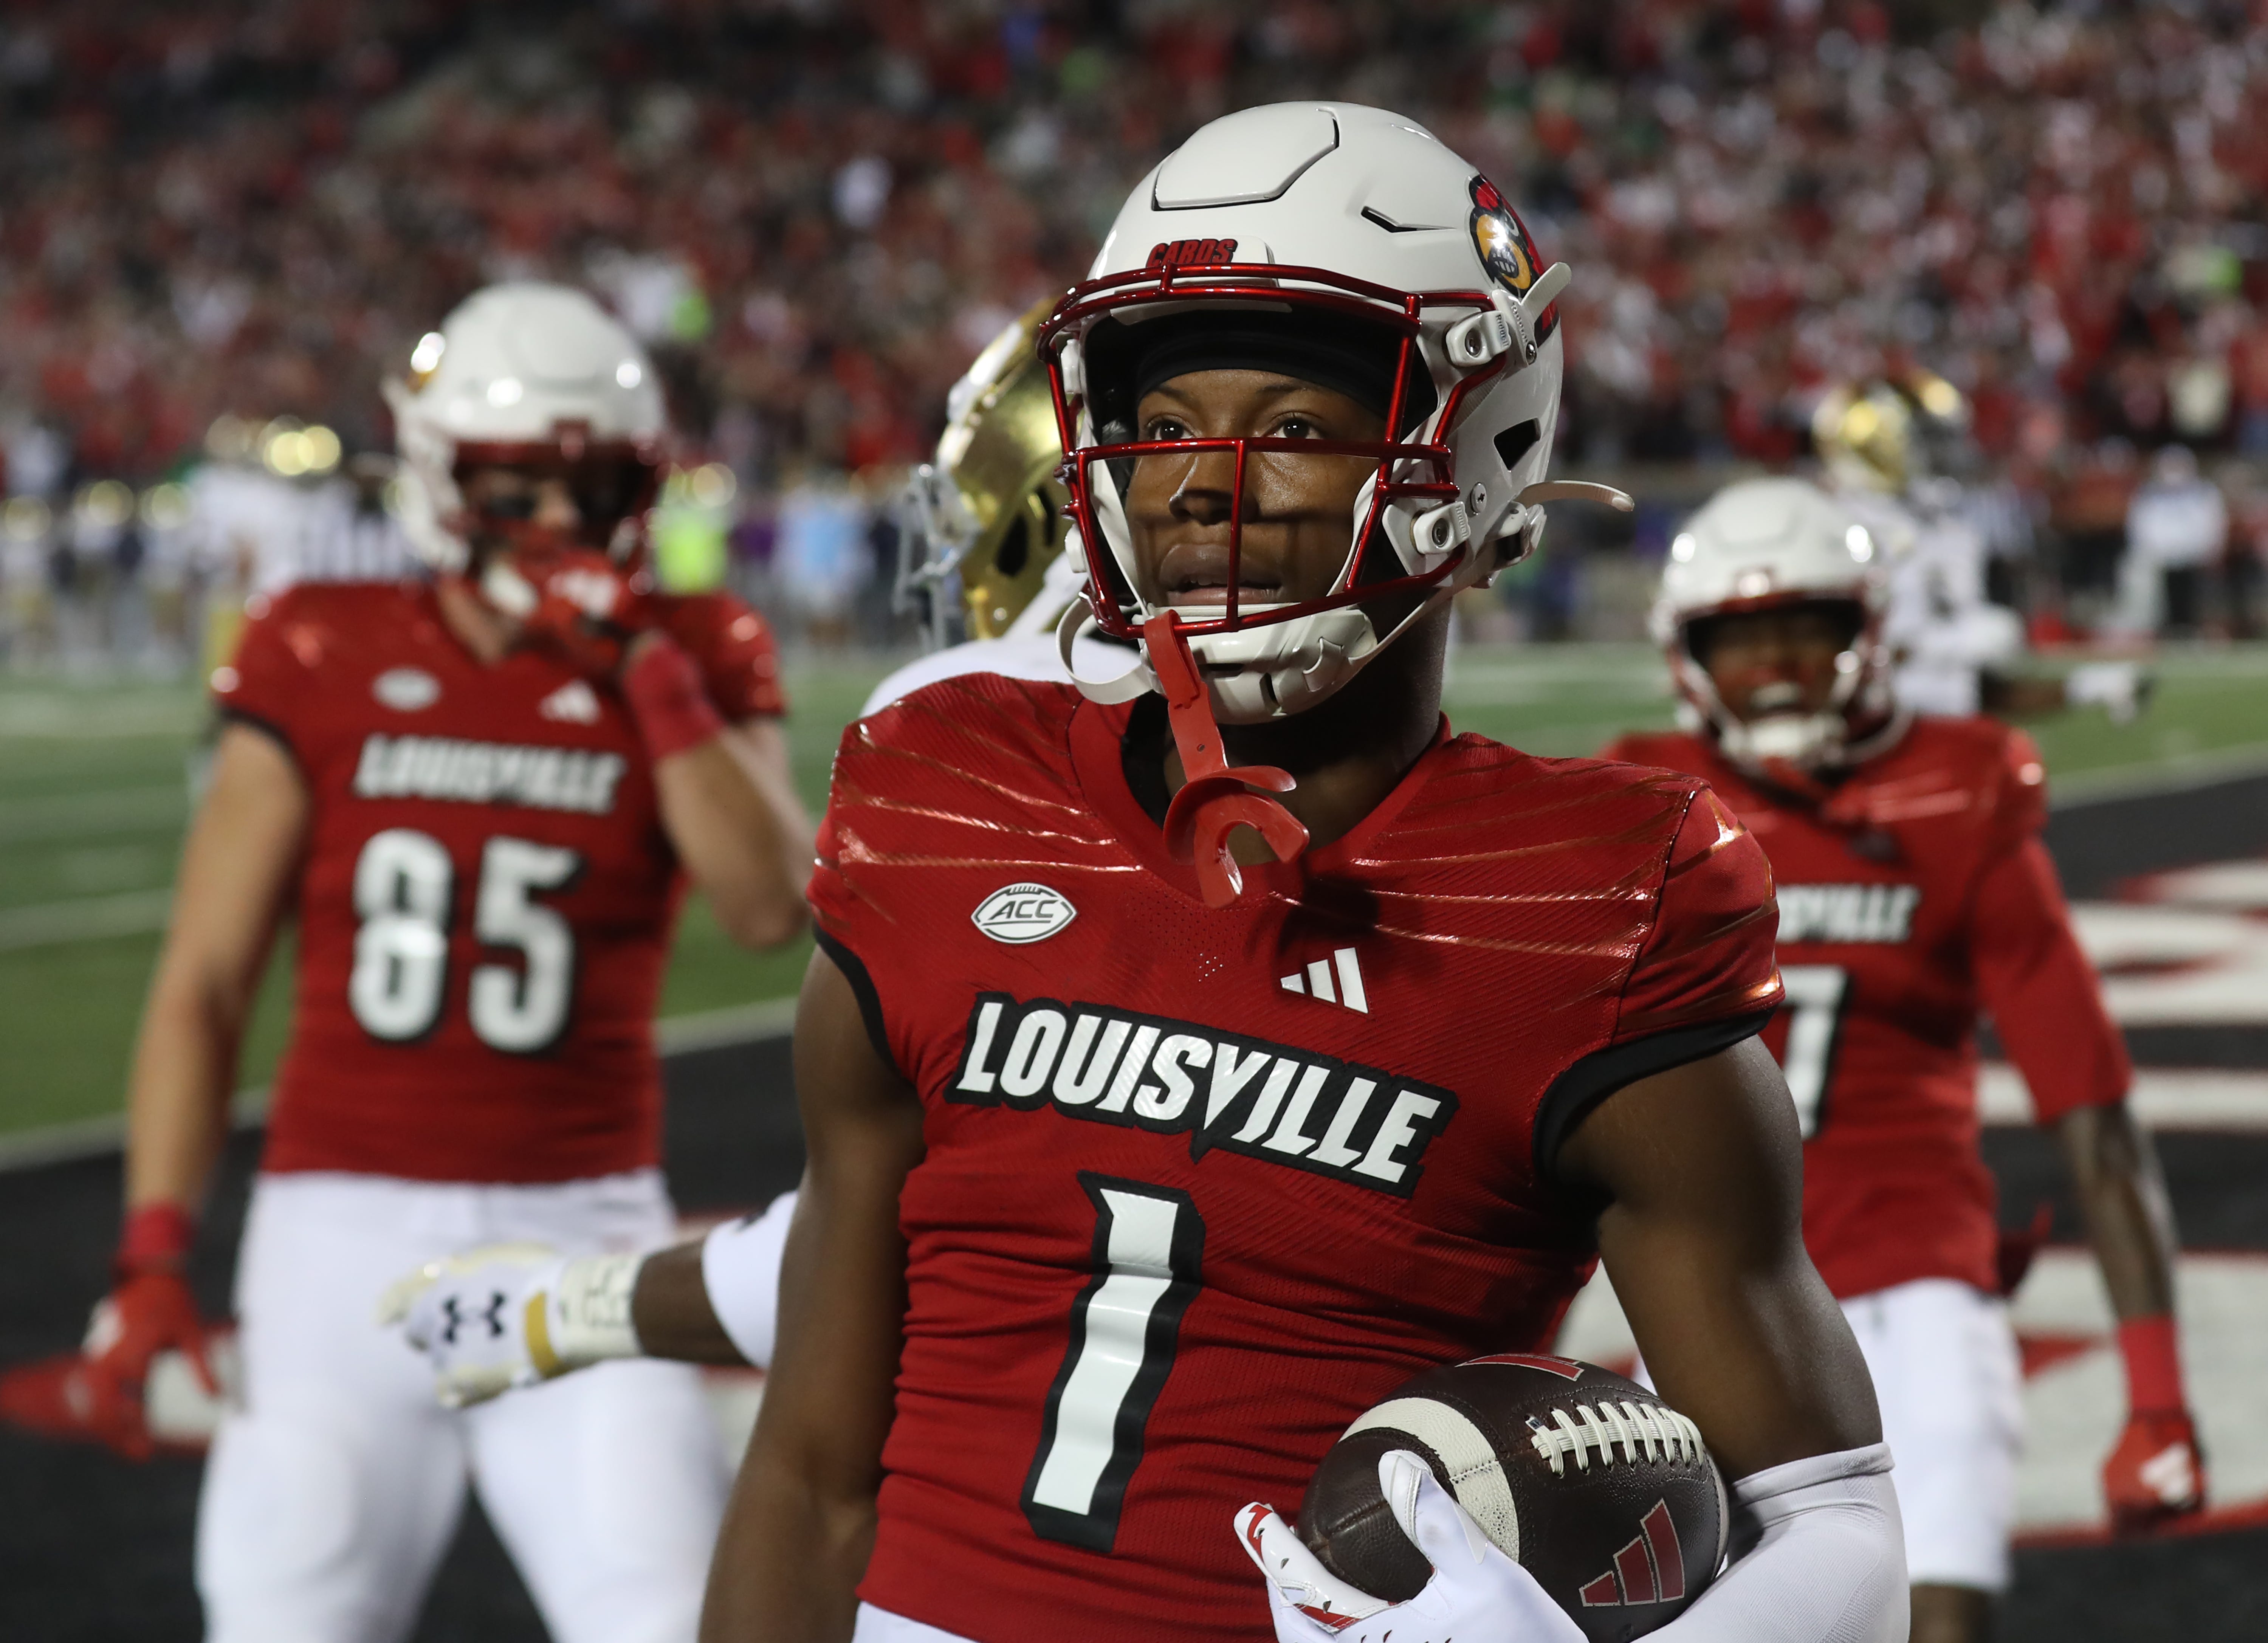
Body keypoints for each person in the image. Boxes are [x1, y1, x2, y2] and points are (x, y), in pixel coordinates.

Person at [713, 103, 1902, 1643]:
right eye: (1164, 423)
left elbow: (1838, 1528)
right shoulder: (947, 792)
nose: (1203, 482)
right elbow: (810, 1470)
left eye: (1289, 427)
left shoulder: (1592, 902)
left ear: (1478, 448)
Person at [75, 281, 813, 1643]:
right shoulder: (320, 639)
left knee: (667, 1619)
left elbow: (773, 905)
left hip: (584, 1236)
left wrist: (642, 672)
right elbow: (206, 979)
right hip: (335, 1245)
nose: (560, 520)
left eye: (592, 485)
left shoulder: (693, 645)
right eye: (518, 486)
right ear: (438, 476)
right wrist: (152, 1253)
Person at [1606, 475, 2205, 1643]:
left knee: (1937, 1619)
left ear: (1871, 630)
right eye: (1741, 638)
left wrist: (2156, 1393)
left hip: (1917, 1274)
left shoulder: (1955, 789)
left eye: (1807, 628)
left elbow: (2090, 1105)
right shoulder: (1644, 802)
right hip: (1701, 1289)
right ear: (1685, 653)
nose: (1776, 667)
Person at [1813, 377, 2146, 723]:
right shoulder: (1848, 526)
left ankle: (2103, 684)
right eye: (1924, 443)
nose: (1940, 456)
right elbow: (1874, 645)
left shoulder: (1928, 518)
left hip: (1929, 693)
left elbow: (1961, 674)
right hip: (1880, 701)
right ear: (1876, 447)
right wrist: (1947, 644)